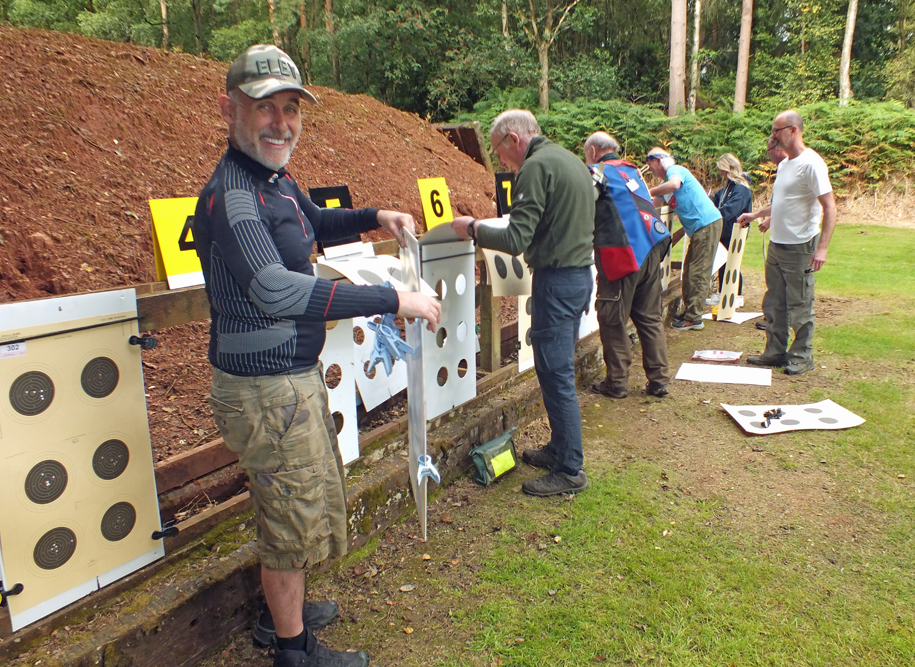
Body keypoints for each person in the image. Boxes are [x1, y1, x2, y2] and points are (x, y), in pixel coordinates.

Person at [192, 44, 442, 667]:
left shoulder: (273, 182)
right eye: (265, 108)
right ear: (229, 109)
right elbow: (275, 289)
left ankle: (277, 615)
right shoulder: (234, 196)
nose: (281, 123)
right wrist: (391, 298)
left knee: (287, 500)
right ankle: (293, 649)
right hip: (265, 387)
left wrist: (373, 217)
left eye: (291, 109)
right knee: (292, 513)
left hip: (285, 381)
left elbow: (312, 224)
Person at [451, 109, 594, 497]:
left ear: (514, 139)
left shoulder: (535, 168)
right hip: (578, 275)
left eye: (499, 153)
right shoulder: (571, 162)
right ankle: (560, 449)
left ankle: (570, 469)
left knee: (556, 373)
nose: (501, 163)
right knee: (552, 371)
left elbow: (516, 240)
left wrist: (474, 228)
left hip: (557, 279)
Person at [738, 109, 837, 375]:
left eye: (776, 130)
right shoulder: (784, 164)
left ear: (793, 130)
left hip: (800, 247)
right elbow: (784, 202)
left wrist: (822, 248)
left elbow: (829, 206)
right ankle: (775, 353)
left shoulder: (812, 163)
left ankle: (802, 356)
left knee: (800, 304)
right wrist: (761, 217)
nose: (773, 136)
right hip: (777, 245)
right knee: (774, 303)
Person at [583, 131, 670, 399]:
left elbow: (584, 206)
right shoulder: (632, 170)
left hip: (622, 253)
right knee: (648, 316)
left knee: (612, 318)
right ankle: (659, 380)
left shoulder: (597, 172)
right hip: (652, 246)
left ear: (594, 151)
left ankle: (617, 382)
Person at [645, 149, 723, 331]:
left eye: (650, 166)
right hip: (697, 228)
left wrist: (649, 190)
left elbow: (674, 185)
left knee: (698, 271)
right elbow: (652, 202)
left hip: (706, 223)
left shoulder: (675, 171)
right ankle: (690, 312)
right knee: (688, 270)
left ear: (658, 161)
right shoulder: (665, 184)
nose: (651, 171)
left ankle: (694, 317)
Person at [755, 138, 789, 330]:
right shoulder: (783, 169)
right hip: (778, 233)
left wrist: (762, 216)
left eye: (769, 151)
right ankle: (772, 317)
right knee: (773, 278)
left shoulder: (789, 166)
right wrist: (767, 218)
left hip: (790, 238)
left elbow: (787, 205)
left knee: (780, 281)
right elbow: (779, 204)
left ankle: (775, 318)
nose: (768, 155)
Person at [709, 153, 753, 299]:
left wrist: (714, 216)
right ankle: (724, 292)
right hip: (726, 230)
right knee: (724, 261)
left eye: (723, 170)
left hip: (735, 230)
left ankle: (734, 293)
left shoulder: (741, 188)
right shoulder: (727, 187)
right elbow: (718, 198)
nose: (721, 173)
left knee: (731, 262)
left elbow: (731, 209)